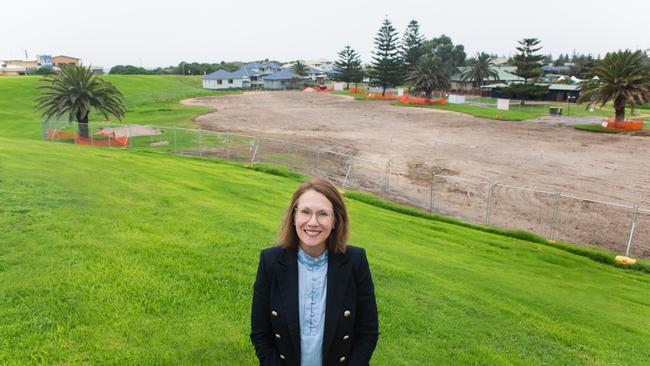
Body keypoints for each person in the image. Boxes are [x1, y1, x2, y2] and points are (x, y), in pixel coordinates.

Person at [251, 178, 379, 366]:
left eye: (323, 214)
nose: (313, 222)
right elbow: (260, 334)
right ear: (294, 216)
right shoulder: (270, 261)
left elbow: (368, 332)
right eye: (305, 212)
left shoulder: (355, 261)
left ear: (335, 220)